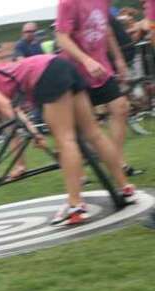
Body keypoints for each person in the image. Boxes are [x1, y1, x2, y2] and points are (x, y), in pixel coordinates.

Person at [0, 56, 134, 226]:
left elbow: (8, 109)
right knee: (94, 133)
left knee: (65, 140)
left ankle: (76, 207)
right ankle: (124, 186)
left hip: (46, 74)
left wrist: (33, 133)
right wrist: (20, 162)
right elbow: (10, 124)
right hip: (59, 65)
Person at [56, 0, 140, 177]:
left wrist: (118, 59)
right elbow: (62, 37)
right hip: (75, 70)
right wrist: (85, 60)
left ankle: (116, 161)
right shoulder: (68, 3)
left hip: (101, 66)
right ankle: (78, 171)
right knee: (82, 126)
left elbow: (107, 30)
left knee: (121, 108)